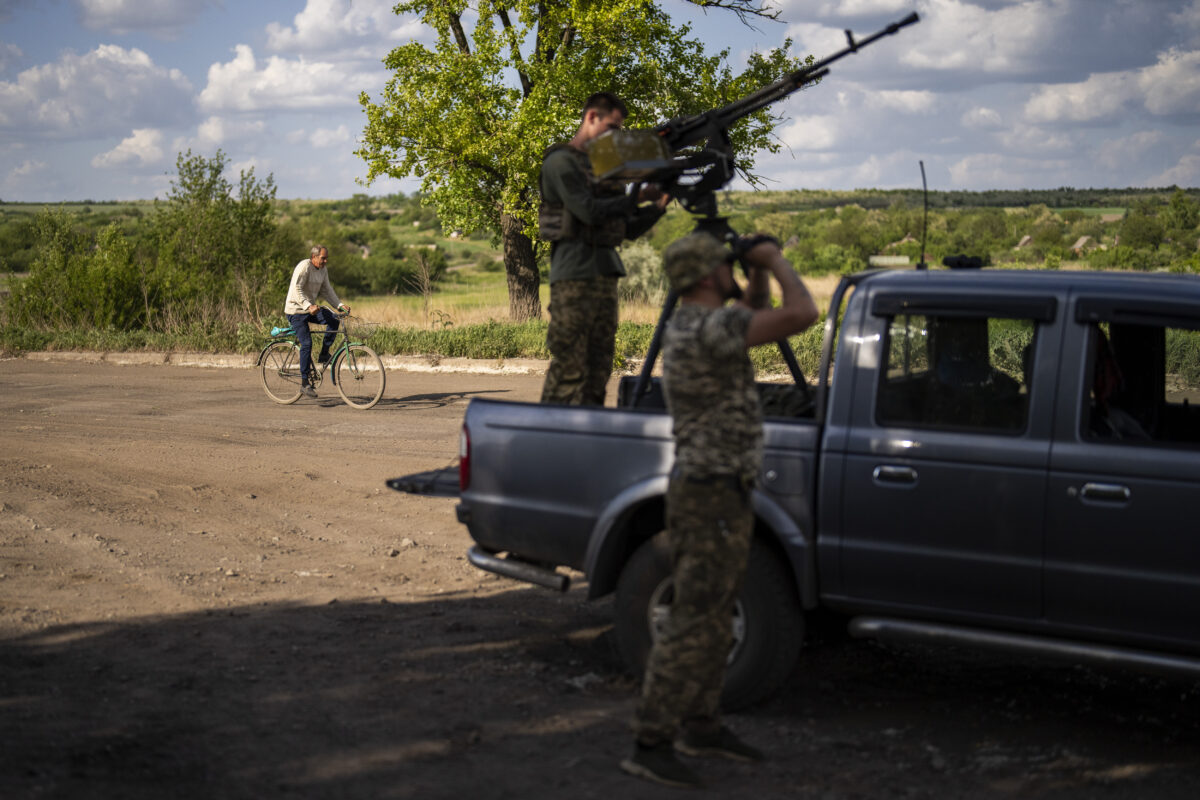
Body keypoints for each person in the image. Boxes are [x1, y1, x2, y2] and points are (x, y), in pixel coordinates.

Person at [620, 232, 819, 789]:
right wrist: (774, 259)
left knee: (713, 612)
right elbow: (801, 313)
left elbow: (751, 310)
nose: (733, 271)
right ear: (708, 276)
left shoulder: (696, 324)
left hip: (716, 489)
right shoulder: (709, 328)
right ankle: (650, 739)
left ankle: (701, 724)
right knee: (693, 618)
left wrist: (751, 273)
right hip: (709, 492)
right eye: (726, 266)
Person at [539, 91, 670, 406]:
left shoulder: (604, 170)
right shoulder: (560, 161)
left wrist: (659, 204)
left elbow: (626, 229)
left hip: (605, 273)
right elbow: (587, 211)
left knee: (599, 370)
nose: (616, 136)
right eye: (612, 127)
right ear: (591, 118)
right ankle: (548, 440)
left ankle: (587, 439)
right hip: (574, 275)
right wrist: (637, 197)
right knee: (570, 368)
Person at [285, 245, 350, 399]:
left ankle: (323, 354)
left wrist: (340, 306)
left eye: (326, 258)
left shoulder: (323, 270)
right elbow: (297, 289)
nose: (325, 261)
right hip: (296, 311)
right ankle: (304, 383)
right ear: (313, 257)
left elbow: (327, 290)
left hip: (311, 309)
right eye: (323, 258)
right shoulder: (304, 267)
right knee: (306, 343)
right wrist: (308, 305)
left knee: (334, 319)